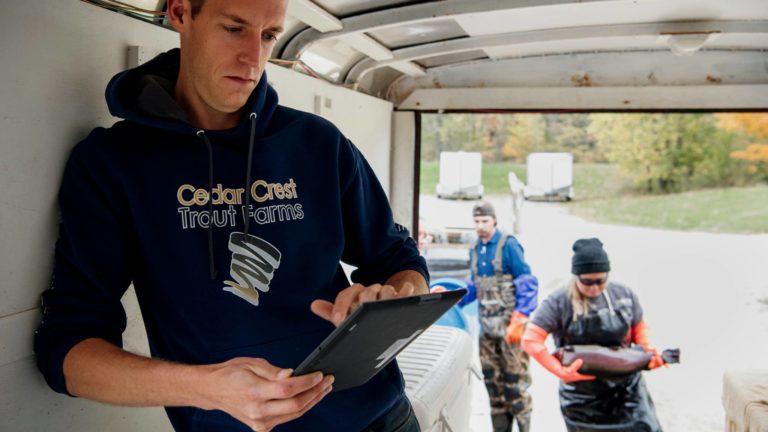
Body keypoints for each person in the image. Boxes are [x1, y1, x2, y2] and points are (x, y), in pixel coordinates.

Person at [33, 1, 429, 431]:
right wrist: (205, 387)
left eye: (268, 35)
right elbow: (67, 350)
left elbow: (401, 262)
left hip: (380, 417)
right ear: (181, 14)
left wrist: (386, 300)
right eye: (235, 29)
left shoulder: (318, 143)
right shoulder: (113, 164)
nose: (253, 59)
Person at [521, 238, 665, 432]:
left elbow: (639, 329)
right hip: (583, 400)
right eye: (587, 282)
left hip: (627, 393)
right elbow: (531, 341)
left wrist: (648, 353)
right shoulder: (558, 302)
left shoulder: (623, 294)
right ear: (576, 276)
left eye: (601, 281)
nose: (594, 288)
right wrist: (560, 371)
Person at [467, 201, 539, 432]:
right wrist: (450, 295)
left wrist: (520, 318)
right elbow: (473, 286)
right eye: (477, 222)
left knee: (514, 384)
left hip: (511, 330)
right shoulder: (475, 249)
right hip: (487, 331)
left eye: (485, 221)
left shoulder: (509, 245)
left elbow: (527, 283)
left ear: (494, 220)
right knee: (492, 385)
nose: (480, 226)